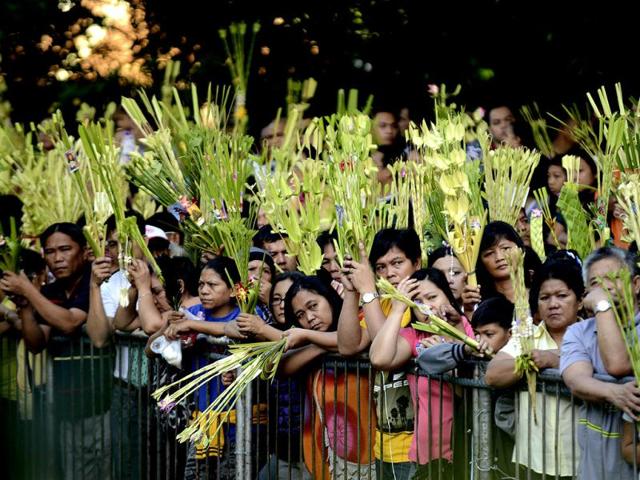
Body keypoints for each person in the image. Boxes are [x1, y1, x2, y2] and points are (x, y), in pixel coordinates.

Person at [0, 222, 111, 479]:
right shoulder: (50, 291)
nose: (57, 258)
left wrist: (27, 288)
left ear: (84, 251)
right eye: (50, 252)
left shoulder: (93, 284)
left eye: (65, 249)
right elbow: (37, 342)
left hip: (104, 401)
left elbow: (70, 322)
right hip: (66, 403)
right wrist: (25, 306)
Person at [486, 257, 585, 478]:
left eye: (562, 296)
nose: (553, 304)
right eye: (545, 298)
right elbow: (493, 375)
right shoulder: (526, 338)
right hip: (532, 462)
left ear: (579, 300)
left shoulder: (594, 337)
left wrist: (556, 359)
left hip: (583, 461)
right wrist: (528, 361)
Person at [337, 229, 421, 479]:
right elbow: (348, 346)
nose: (389, 273)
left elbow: (385, 352)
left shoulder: (422, 304)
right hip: (384, 445)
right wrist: (352, 292)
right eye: (381, 267)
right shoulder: (382, 303)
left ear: (416, 263)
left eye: (397, 263)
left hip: (417, 448)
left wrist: (368, 291)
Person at [369, 268, 470, 476]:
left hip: (463, 452)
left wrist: (449, 350)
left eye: (432, 297)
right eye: (417, 302)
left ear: (448, 296)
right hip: (425, 456)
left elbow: (469, 390)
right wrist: (398, 308)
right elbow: (379, 358)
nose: (426, 307)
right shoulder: (415, 336)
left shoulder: (466, 328)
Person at [278, 275, 375, 479]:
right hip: (322, 449)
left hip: (363, 449)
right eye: (301, 314)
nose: (309, 318)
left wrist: (307, 336)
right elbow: (283, 367)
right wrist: (319, 346)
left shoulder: (359, 319)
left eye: (313, 306)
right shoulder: (312, 342)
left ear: (329, 298)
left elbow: (350, 342)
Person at [561, 246, 640, 480]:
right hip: (596, 464)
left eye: (612, 278)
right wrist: (613, 392)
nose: (604, 288)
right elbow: (575, 379)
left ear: (636, 285)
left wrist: (602, 306)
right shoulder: (578, 331)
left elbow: (617, 364)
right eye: (596, 282)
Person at [462, 221, 526, 318]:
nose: (499, 257)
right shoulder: (480, 303)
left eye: (505, 248)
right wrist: (469, 310)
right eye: (489, 253)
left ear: (521, 250)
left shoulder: (539, 290)